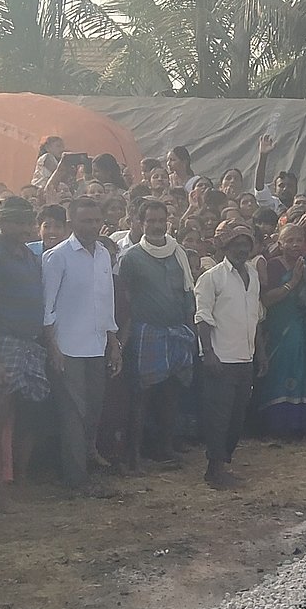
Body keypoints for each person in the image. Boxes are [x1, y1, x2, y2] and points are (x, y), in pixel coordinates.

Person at [0, 197, 50, 512]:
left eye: (27, 222)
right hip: (3, 343)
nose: (23, 228)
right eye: (16, 222)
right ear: (1, 223)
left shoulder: (29, 254)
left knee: (29, 413)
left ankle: (16, 479)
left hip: (30, 344)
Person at [42, 196, 122, 494]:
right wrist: (53, 348)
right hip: (68, 348)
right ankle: (76, 480)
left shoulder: (103, 254)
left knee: (93, 410)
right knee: (73, 414)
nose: (92, 226)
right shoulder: (57, 256)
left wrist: (114, 343)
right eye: (86, 221)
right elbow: (46, 308)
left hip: (97, 344)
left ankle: (83, 468)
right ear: (71, 223)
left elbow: (106, 302)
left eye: (96, 220)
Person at [117, 199, 196, 472]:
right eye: (150, 221)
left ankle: (165, 448)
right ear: (140, 223)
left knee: (171, 392)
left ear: (167, 222)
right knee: (142, 395)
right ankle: (133, 455)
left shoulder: (179, 253)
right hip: (146, 332)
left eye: (160, 221)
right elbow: (123, 300)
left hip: (177, 332)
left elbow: (187, 293)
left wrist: (190, 330)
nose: (155, 226)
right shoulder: (131, 258)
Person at [195, 224, 264, 489]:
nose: (242, 249)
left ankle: (222, 462)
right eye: (236, 244)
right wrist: (208, 353)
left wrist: (262, 352)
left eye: (246, 244)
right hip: (221, 359)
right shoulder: (211, 277)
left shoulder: (253, 275)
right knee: (219, 418)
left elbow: (255, 316)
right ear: (225, 248)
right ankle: (214, 470)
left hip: (245, 357)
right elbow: (202, 318)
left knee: (236, 417)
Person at [256, 223, 306, 436]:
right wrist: (293, 282)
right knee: (278, 371)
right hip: (278, 328)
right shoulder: (272, 266)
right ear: (279, 243)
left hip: (300, 326)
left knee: (300, 369)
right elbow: (266, 300)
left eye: (299, 240)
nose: (295, 244)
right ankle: (276, 425)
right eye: (289, 240)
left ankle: (298, 425)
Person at [255, 135, 306, 213]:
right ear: (274, 188)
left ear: (296, 189)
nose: (285, 189)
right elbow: (260, 189)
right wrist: (263, 156)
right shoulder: (272, 205)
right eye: (281, 185)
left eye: (290, 186)